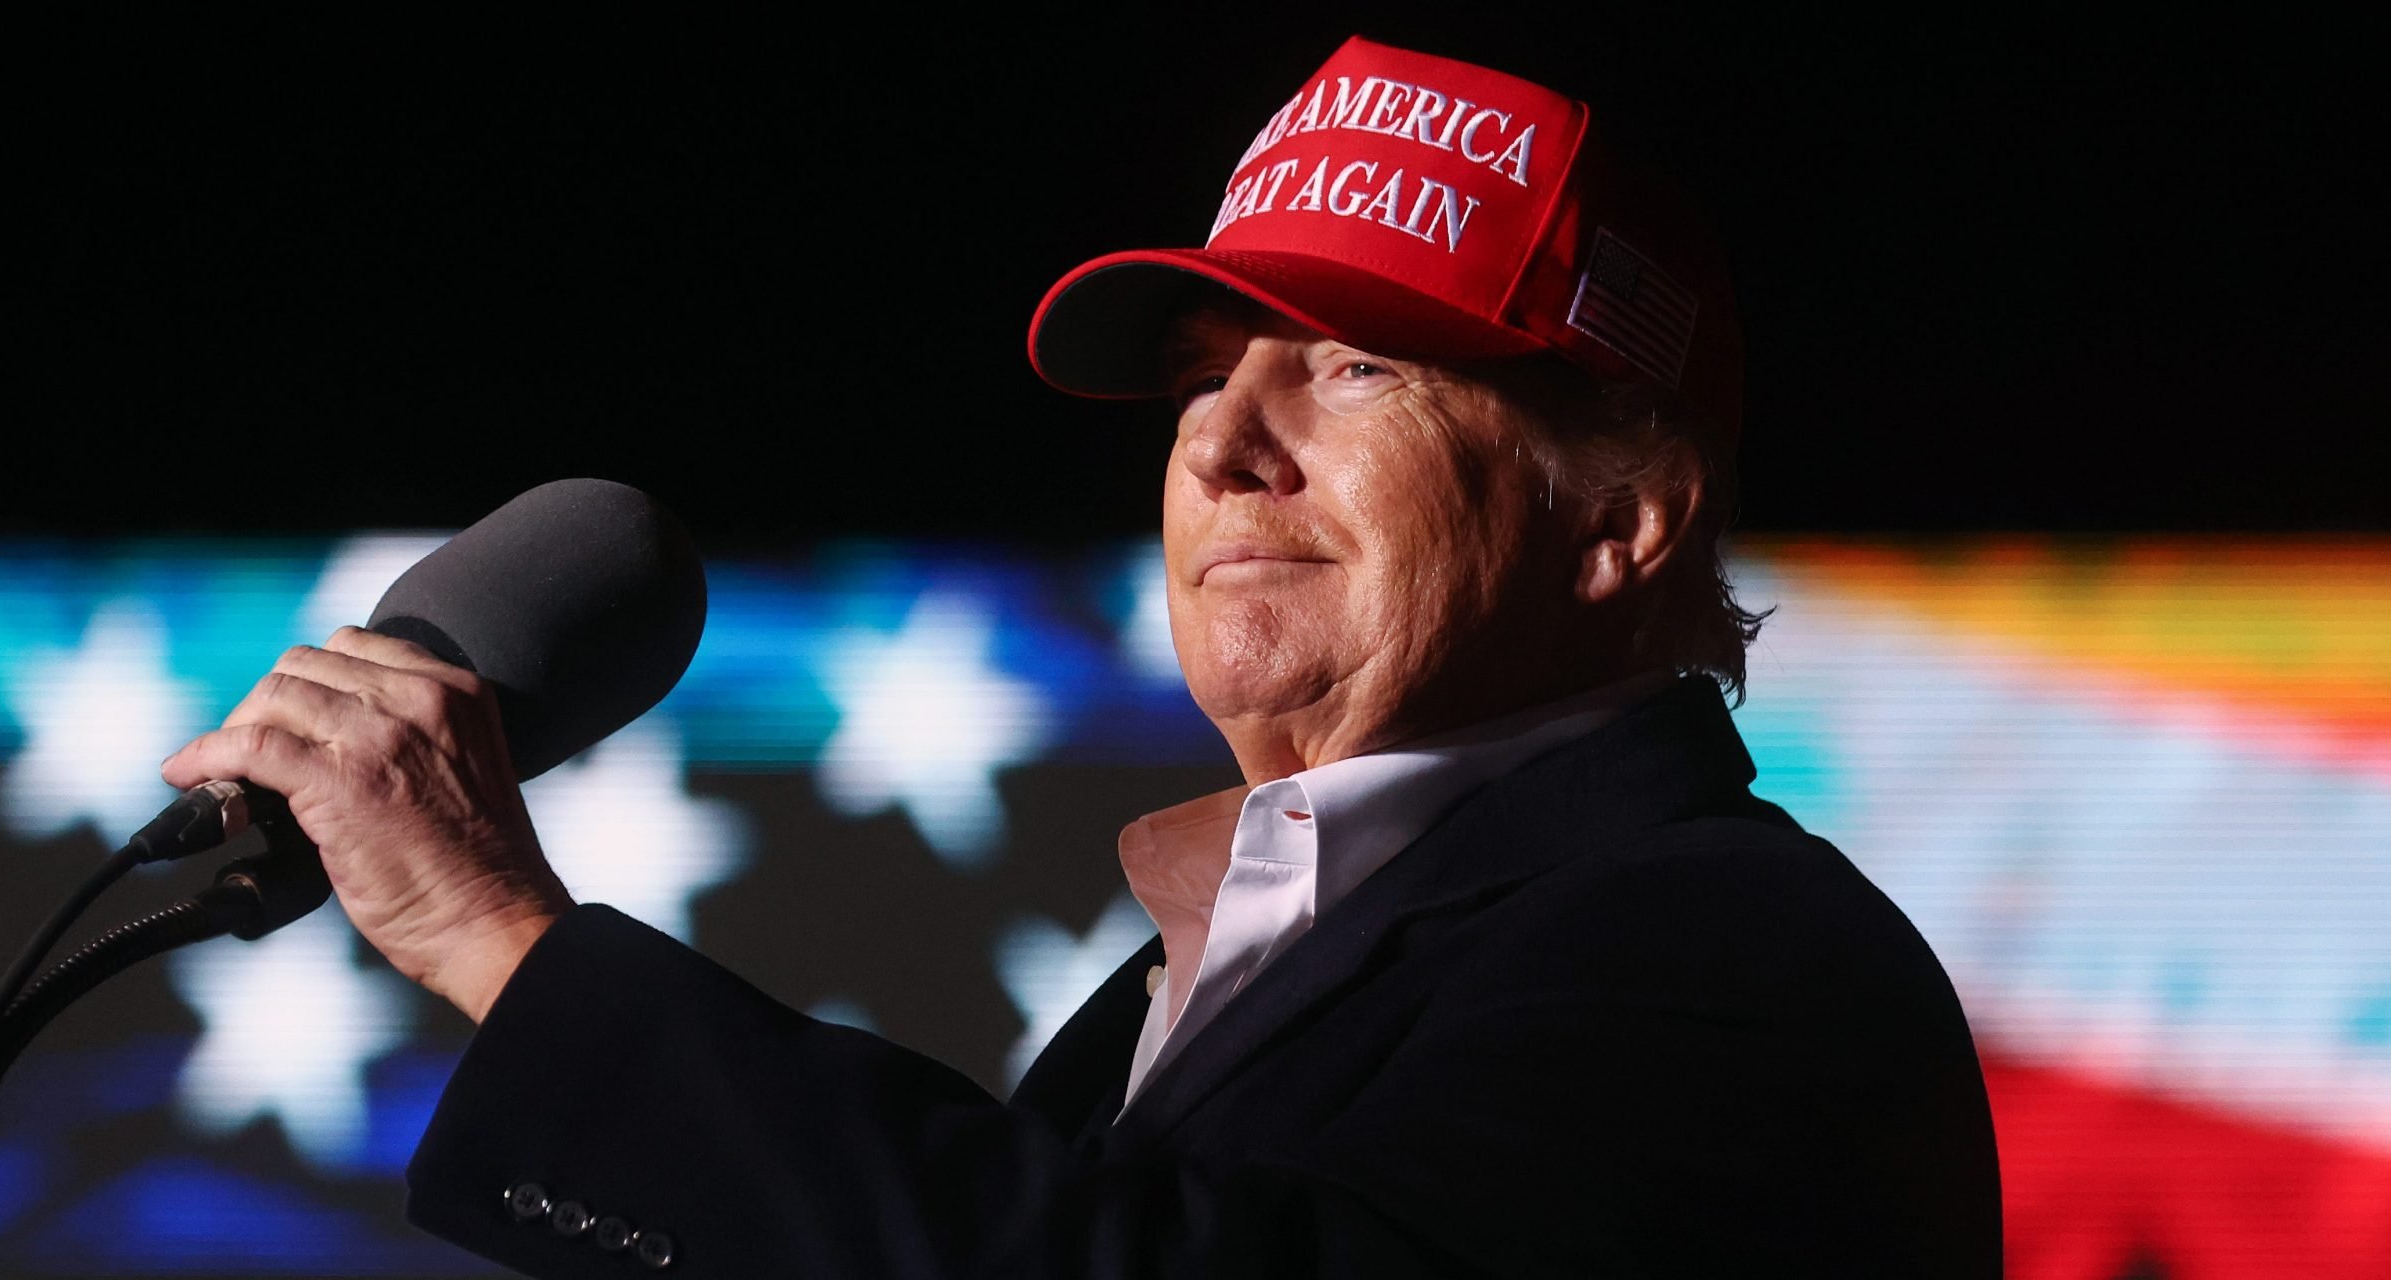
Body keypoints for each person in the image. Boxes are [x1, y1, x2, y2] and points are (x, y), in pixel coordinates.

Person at [163, 35, 2001, 1278]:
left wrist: (502, 940)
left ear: (1621, 522)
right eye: (1209, 376)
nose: (1221, 444)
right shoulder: (1172, 994)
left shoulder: (1735, 956)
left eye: (1354, 366)